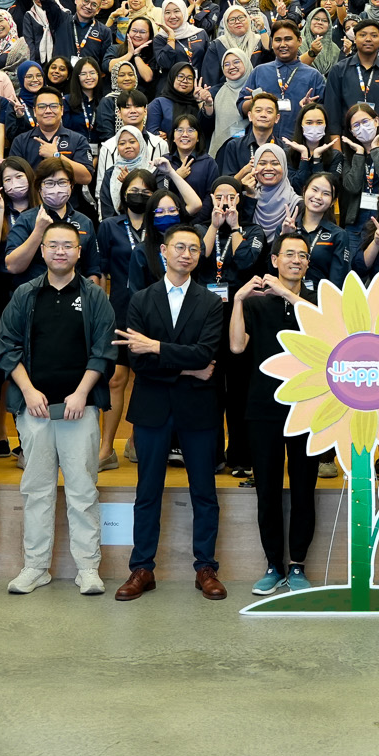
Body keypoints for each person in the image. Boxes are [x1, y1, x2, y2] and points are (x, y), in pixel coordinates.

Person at [0, 223, 116, 596]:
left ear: (80, 252)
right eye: (54, 245)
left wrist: (81, 393)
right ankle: (35, 567)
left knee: (83, 490)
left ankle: (87, 568)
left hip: (79, 410)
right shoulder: (25, 294)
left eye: (69, 245)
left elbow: (104, 350)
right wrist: (29, 391)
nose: (61, 251)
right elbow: (7, 347)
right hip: (34, 410)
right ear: (43, 251)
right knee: (37, 490)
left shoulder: (95, 296)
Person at [116, 225, 227, 602]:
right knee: (147, 491)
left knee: (205, 492)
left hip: (198, 409)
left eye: (194, 249)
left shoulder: (211, 302)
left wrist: (157, 347)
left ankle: (206, 568)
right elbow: (137, 361)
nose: (186, 253)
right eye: (179, 247)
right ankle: (141, 569)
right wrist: (186, 367)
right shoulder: (141, 300)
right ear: (164, 250)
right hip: (152, 407)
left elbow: (206, 355)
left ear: (200, 256)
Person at [231, 235, 322, 596]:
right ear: (274, 260)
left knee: (303, 489)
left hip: (308, 407)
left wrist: (285, 294)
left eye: (302, 256)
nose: (296, 260)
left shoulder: (316, 303)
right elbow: (237, 345)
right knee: (267, 491)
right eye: (289, 255)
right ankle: (273, 564)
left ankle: (297, 564)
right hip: (263, 407)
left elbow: (319, 327)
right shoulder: (253, 304)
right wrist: (239, 299)